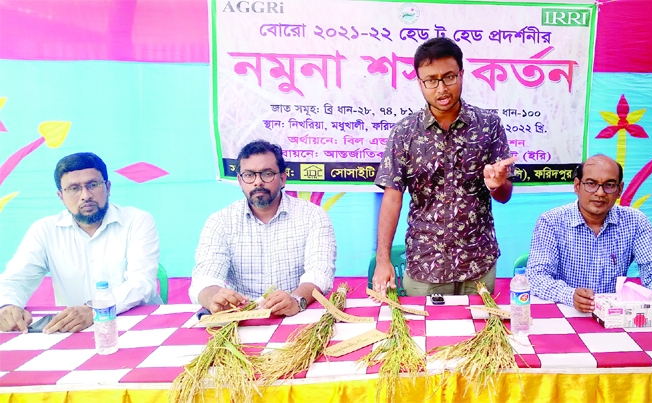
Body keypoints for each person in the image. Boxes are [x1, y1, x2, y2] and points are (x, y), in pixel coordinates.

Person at [372, 37, 517, 297]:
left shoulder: (489, 125)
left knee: (481, 336)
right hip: (426, 265)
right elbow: (392, 197)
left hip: (478, 263)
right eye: (431, 80)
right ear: (419, 82)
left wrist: (496, 185)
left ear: (462, 74)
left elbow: (504, 195)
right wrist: (383, 259)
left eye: (449, 77)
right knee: (427, 337)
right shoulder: (405, 132)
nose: (442, 88)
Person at [0, 152, 161, 333]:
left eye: (93, 185)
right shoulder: (45, 230)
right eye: (74, 188)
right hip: (73, 330)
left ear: (108, 187)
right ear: (61, 196)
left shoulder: (137, 221)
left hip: (138, 324)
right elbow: (15, 279)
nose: (85, 195)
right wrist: (7, 305)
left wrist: (95, 310)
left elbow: (141, 283)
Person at [190, 140, 336, 316]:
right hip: (240, 316)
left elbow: (320, 273)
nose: (258, 182)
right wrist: (214, 299)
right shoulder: (220, 222)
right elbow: (205, 277)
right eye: (249, 175)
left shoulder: (313, 216)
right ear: (240, 180)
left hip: (295, 315)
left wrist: (296, 299)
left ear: (282, 178)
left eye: (267, 174)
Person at [527, 154, 652, 312]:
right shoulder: (551, 221)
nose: (600, 193)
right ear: (577, 186)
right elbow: (537, 276)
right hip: (566, 313)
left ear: (619, 190)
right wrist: (570, 295)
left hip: (615, 315)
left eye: (609, 185)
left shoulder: (635, 221)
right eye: (591, 184)